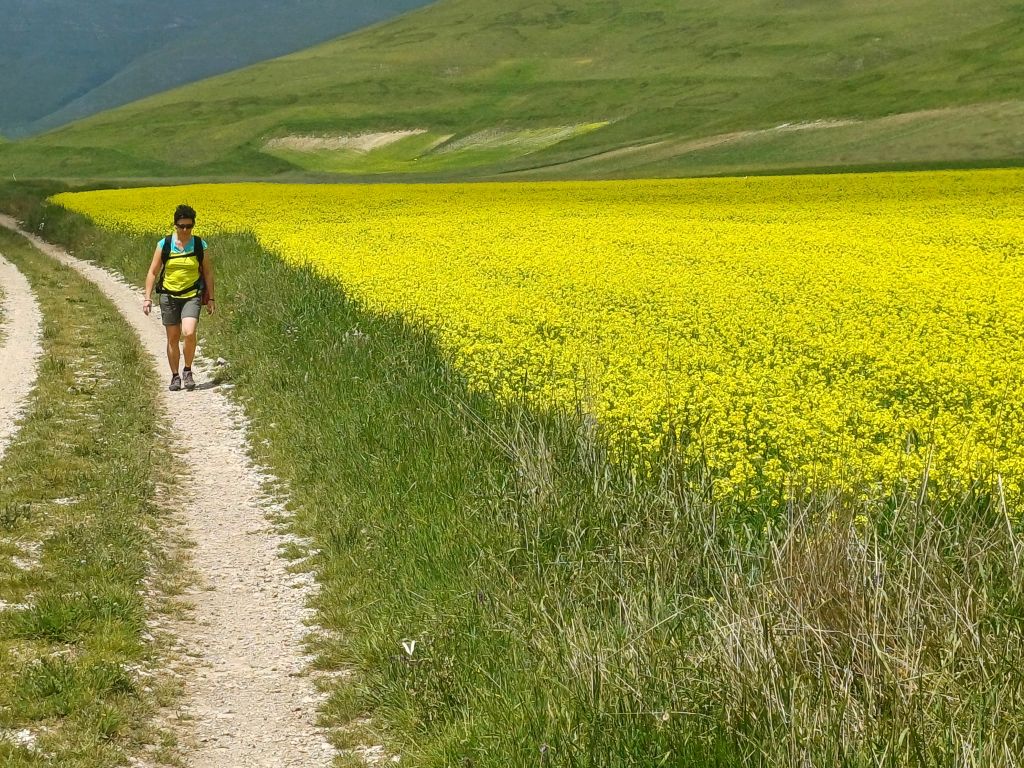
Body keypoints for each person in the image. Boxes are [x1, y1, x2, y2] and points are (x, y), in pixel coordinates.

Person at [143, 204, 215, 391]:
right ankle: (175, 376)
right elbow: (152, 271)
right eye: (181, 226)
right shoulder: (164, 244)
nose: (185, 230)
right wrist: (147, 297)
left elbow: (207, 273)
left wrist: (211, 298)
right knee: (173, 337)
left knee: (189, 333)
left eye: (189, 226)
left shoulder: (199, 244)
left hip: (192, 295)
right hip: (168, 296)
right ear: (175, 225)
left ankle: (188, 370)